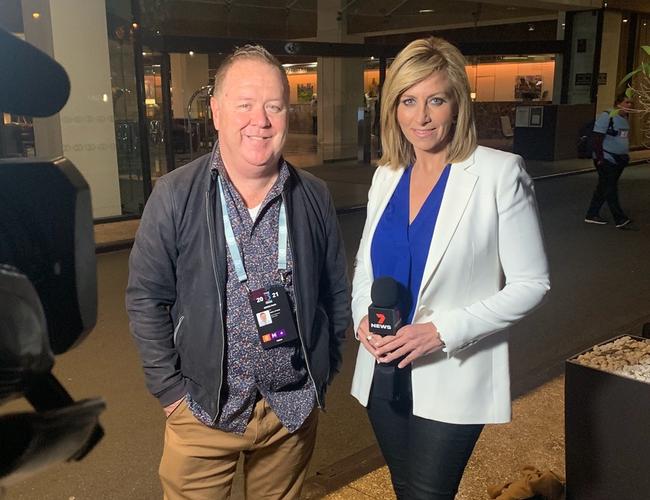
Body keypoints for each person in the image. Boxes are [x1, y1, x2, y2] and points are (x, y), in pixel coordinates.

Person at [126, 45, 350, 499]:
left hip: (290, 412)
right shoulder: (174, 195)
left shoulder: (313, 196)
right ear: (216, 112)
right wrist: (171, 393)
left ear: (288, 113)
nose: (260, 121)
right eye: (244, 105)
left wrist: (321, 373)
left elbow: (335, 292)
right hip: (204, 413)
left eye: (273, 106)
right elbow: (146, 297)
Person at [350, 37, 550, 500]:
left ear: (457, 104)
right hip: (383, 372)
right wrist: (362, 316)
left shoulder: (499, 174)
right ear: (394, 109)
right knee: (407, 491)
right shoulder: (387, 175)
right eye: (409, 100)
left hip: (453, 373)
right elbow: (365, 263)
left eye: (435, 100)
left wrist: (442, 331)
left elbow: (531, 283)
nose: (421, 117)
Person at [584, 93, 634, 228]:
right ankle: (620, 218)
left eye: (631, 103)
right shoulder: (607, 116)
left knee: (604, 187)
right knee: (610, 187)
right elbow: (597, 139)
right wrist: (600, 159)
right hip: (607, 158)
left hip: (619, 159)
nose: (629, 106)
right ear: (618, 103)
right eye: (627, 103)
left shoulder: (624, 118)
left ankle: (592, 214)